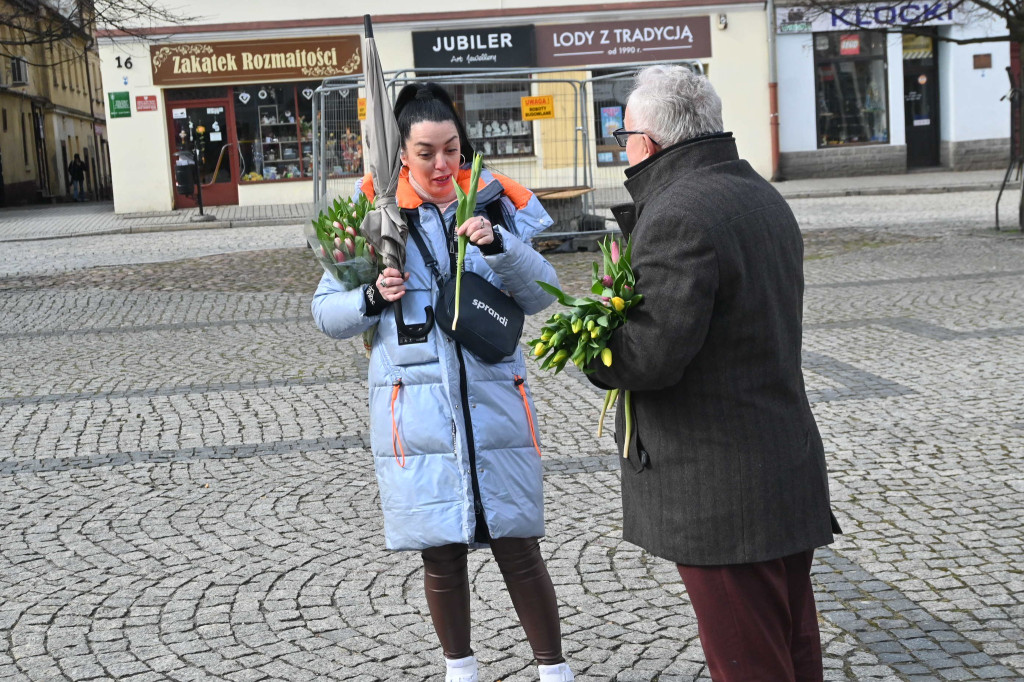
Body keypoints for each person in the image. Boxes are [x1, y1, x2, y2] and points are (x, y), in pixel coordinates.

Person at [311, 83, 575, 682]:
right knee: (441, 552)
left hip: (495, 402)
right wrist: (373, 295)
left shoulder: (491, 202)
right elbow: (325, 314)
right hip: (418, 411)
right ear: (401, 153)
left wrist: (500, 245)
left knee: (518, 544)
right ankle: (461, 670)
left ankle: (555, 672)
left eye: (451, 149)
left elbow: (541, 293)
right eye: (426, 152)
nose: (441, 165)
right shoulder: (372, 216)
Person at [586, 64, 842, 682]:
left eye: (625, 138)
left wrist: (597, 344)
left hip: (723, 489)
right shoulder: (756, 191)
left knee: (750, 663)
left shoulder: (680, 212)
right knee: (791, 644)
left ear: (650, 141)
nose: (624, 151)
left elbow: (650, 356)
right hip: (777, 461)